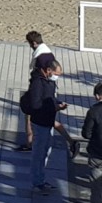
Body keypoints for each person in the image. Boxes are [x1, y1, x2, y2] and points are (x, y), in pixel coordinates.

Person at [25, 54, 67, 192]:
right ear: (49, 70)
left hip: (47, 121)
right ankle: (36, 182)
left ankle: (40, 179)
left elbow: (49, 98)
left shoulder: (49, 82)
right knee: (39, 153)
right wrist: (54, 107)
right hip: (40, 122)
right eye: (56, 74)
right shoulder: (38, 83)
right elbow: (36, 104)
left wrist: (57, 103)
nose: (57, 77)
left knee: (44, 152)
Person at [18, 33, 45, 149]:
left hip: (36, 94)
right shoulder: (44, 53)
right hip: (39, 93)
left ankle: (30, 143)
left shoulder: (41, 57)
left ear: (34, 43)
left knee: (29, 117)